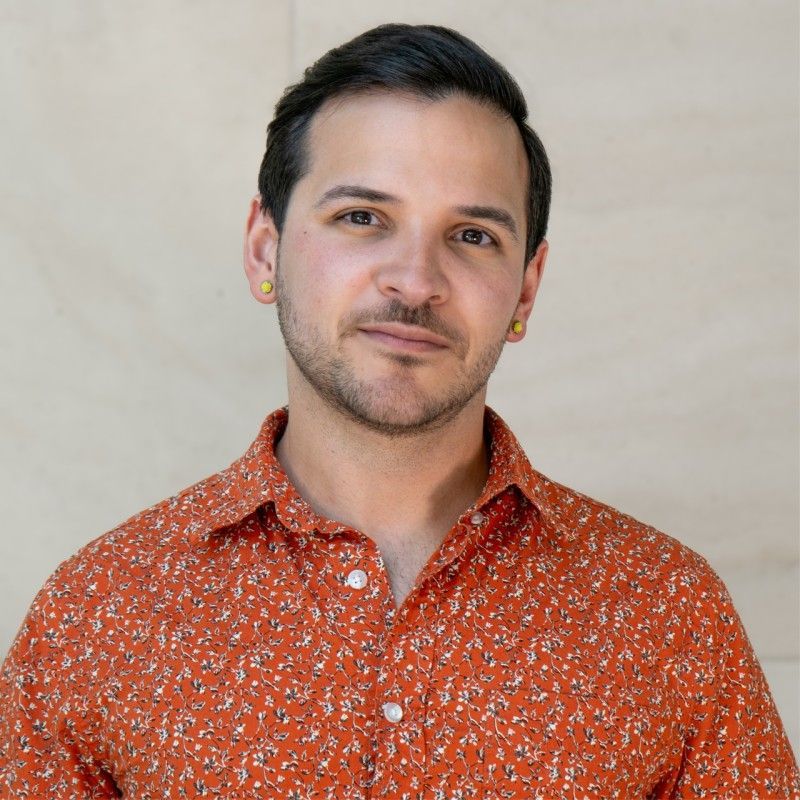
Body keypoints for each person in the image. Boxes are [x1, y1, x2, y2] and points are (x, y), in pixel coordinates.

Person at [1, 22, 797, 800]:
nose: (415, 280)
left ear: (526, 287)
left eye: (474, 235)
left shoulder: (669, 612)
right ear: (263, 250)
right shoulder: (98, 613)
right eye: (361, 218)